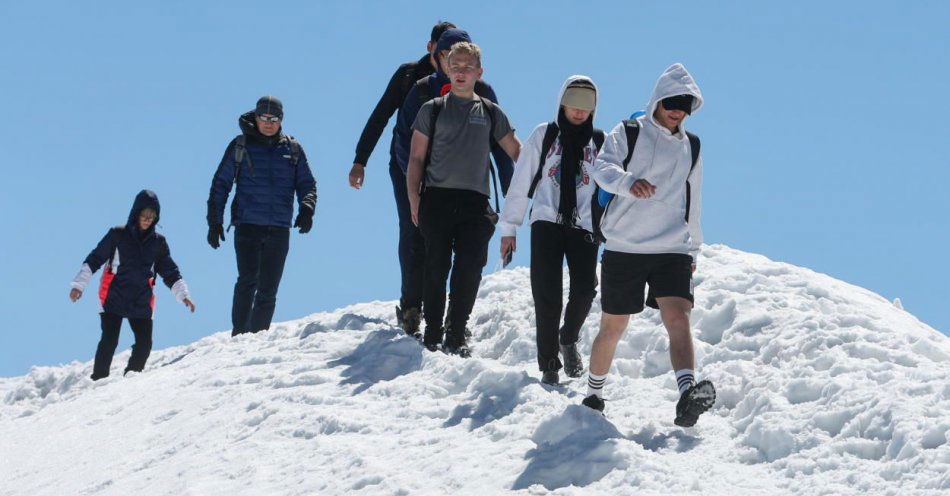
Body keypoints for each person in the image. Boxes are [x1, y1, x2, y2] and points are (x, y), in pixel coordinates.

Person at [582, 63, 716, 427]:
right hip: (625, 245)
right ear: (657, 98)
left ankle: (687, 393)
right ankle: (594, 394)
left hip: (672, 247)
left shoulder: (692, 145)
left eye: (687, 104)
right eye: (673, 100)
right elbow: (601, 167)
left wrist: (693, 250)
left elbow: (694, 200)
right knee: (614, 326)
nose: (678, 110)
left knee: (679, 317)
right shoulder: (628, 132)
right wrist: (629, 183)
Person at [390, 27, 514, 337]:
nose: (459, 72)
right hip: (436, 199)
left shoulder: (490, 110)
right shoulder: (430, 109)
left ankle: (457, 331)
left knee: (469, 269)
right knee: (436, 267)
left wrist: (518, 197)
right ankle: (432, 330)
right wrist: (414, 199)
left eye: (466, 67)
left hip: (475, 202)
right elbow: (414, 158)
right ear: (445, 66)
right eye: (454, 66)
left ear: (478, 71)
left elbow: (514, 153)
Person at [347, 21, 456, 336]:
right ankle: (411, 307)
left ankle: (440, 305)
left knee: (441, 235)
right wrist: (360, 160)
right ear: (431, 48)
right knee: (412, 229)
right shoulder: (409, 75)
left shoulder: (463, 76)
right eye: (443, 50)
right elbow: (381, 115)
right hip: (404, 164)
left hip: (446, 170)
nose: (450, 58)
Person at [499, 76, 603, 385]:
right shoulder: (545, 135)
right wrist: (509, 227)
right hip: (546, 221)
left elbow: (612, 187)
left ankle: (568, 337)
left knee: (585, 288)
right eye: (573, 102)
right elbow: (521, 182)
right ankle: (549, 364)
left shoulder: (601, 142)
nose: (579, 111)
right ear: (561, 101)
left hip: (584, 224)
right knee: (547, 294)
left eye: (587, 104)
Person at [206, 96, 317, 336]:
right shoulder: (240, 145)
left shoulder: (292, 149)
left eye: (274, 118)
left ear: (281, 120)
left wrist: (307, 208)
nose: (268, 123)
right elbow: (221, 184)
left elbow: (307, 183)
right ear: (256, 118)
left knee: (268, 288)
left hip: (279, 228)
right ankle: (240, 334)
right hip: (247, 225)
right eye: (264, 118)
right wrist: (215, 221)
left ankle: (257, 337)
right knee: (247, 281)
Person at [69, 190, 195, 380]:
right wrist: (79, 286)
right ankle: (99, 380)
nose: (147, 220)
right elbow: (94, 259)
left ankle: (131, 378)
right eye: (144, 215)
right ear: (136, 213)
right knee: (110, 340)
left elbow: (170, 271)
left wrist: (183, 295)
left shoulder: (158, 243)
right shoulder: (117, 235)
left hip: (141, 300)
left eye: (152, 217)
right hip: (113, 296)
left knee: (144, 344)